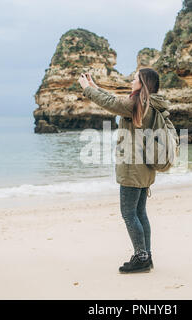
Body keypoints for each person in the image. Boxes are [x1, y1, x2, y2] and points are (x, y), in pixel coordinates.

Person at [78, 68, 170, 273]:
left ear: (143, 83)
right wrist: (94, 87)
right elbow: (115, 101)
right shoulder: (150, 104)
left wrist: (86, 90)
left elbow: (110, 104)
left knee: (129, 213)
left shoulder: (137, 104)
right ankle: (147, 255)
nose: (131, 81)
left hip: (132, 168)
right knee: (140, 212)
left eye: (135, 78)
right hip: (145, 168)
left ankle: (141, 257)